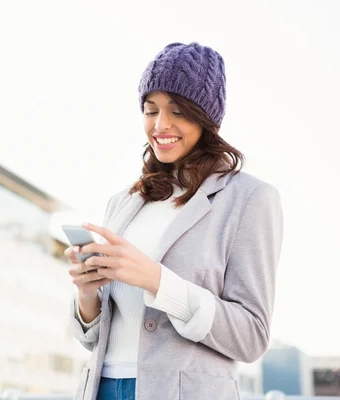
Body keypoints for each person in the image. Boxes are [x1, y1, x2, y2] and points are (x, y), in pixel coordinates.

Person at [65, 42, 283, 400]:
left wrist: (158, 281)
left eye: (178, 111)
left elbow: (252, 336)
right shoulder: (124, 202)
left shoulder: (249, 198)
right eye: (151, 110)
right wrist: (87, 292)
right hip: (100, 389)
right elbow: (93, 337)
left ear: (206, 118)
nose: (160, 125)